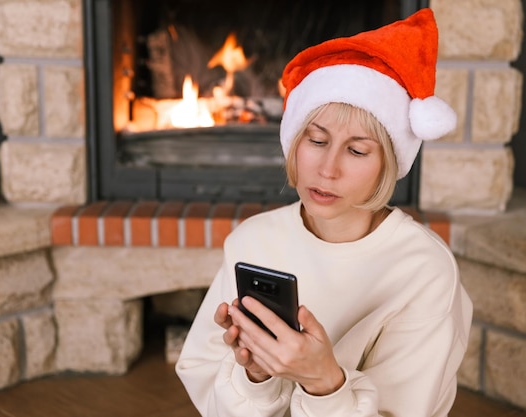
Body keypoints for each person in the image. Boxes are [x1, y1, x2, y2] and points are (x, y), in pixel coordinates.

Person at [175, 8, 473, 417]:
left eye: (356, 150)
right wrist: (257, 377)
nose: (328, 169)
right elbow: (206, 383)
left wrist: (323, 383)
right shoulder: (253, 241)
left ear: (388, 163)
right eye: (316, 140)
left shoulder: (423, 269)